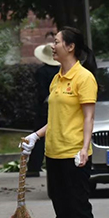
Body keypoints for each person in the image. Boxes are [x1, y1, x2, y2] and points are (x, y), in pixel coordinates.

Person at [20, 27, 101, 218]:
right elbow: (54, 119)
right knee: (61, 210)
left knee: (78, 208)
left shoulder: (83, 78)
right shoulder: (57, 79)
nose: (52, 46)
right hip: (53, 154)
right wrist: (36, 135)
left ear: (70, 47)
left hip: (74, 154)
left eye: (56, 42)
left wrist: (84, 148)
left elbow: (89, 117)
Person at [26, 43, 61, 177]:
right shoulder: (62, 71)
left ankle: (34, 166)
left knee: (39, 137)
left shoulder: (41, 72)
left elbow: (40, 92)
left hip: (44, 108)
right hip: (59, 106)